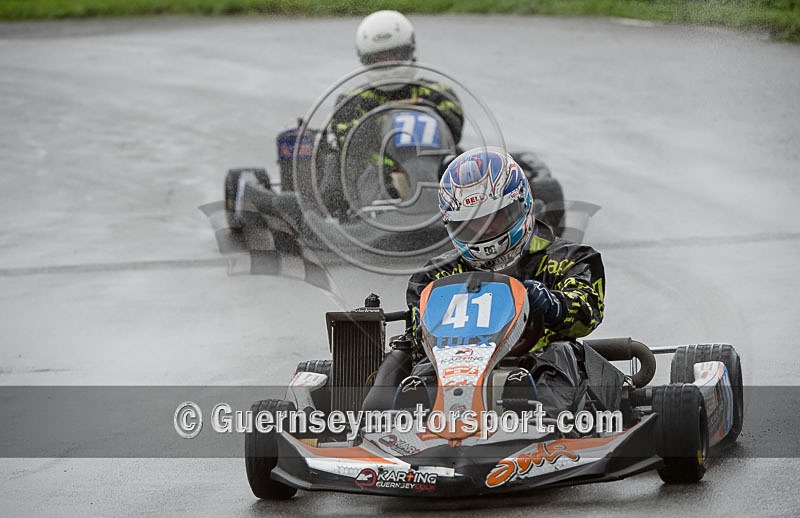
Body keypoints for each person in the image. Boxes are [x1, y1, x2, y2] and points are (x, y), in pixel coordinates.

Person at [400, 147, 606, 417]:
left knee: (560, 353)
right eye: (471, 223)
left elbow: (588, 313)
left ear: (521, 205)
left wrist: (553, 304)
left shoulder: (569, 259)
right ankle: (408, 423)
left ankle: (543, 423)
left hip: (537, 361)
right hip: (458, 369)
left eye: (494, 218)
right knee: (423, 370)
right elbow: (420, 336)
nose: (485, 231)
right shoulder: (435, 275)